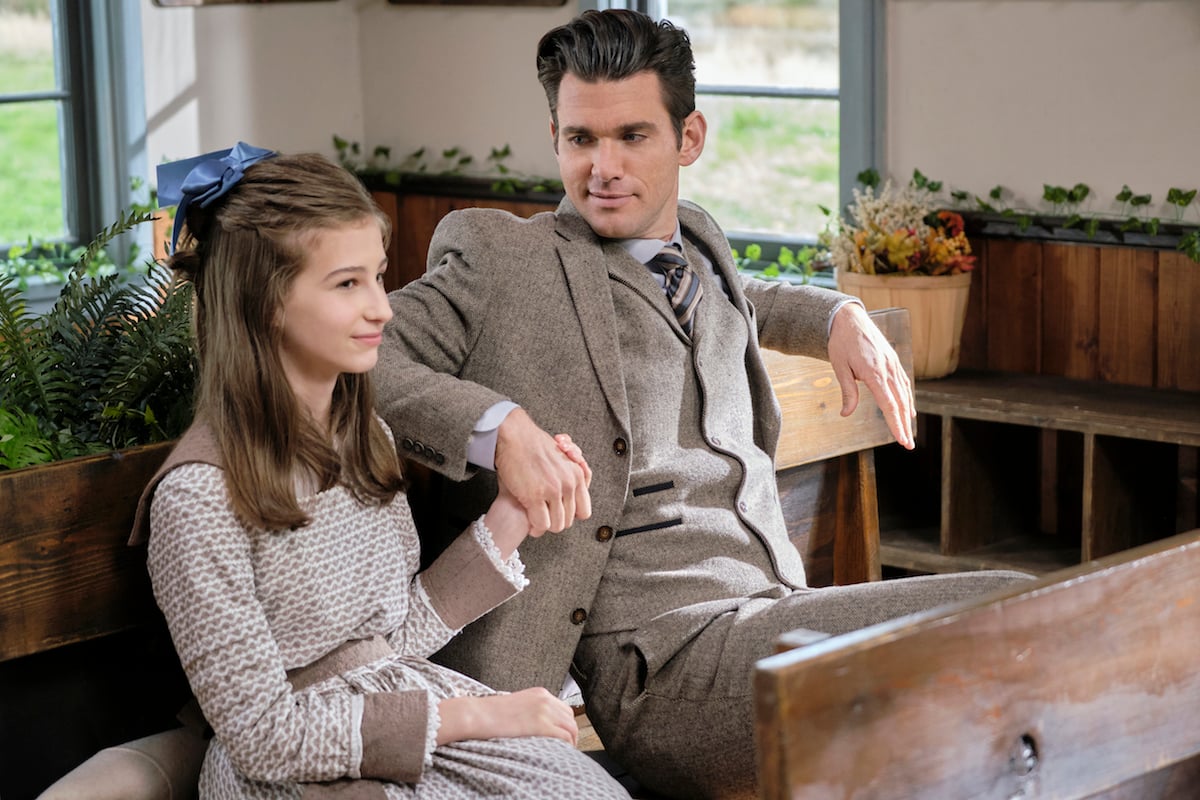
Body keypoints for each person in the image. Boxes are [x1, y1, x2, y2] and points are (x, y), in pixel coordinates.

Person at [374, 10, 1029, 799]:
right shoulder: (502, 261)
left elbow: (737, 298)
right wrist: (497, 429)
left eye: (632, 136)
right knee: (1000, 621)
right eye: (581, 139)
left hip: (771, 616)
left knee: (1023, 619)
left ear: (689, 138)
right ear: (555, 138)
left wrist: (834, 315)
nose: (603, 167)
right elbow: (360, 357)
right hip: (662, 668)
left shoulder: (698, 242)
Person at [130, 143, 631, 799]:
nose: (383, 308)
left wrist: (511, 517)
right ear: (264, 301)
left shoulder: (365, 436)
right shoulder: (197, 497)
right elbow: (264, 738)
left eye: (378, 276)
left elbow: (391, 642)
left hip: (409, 714)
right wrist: (477, 715)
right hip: (301, 770)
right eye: (348, 284)